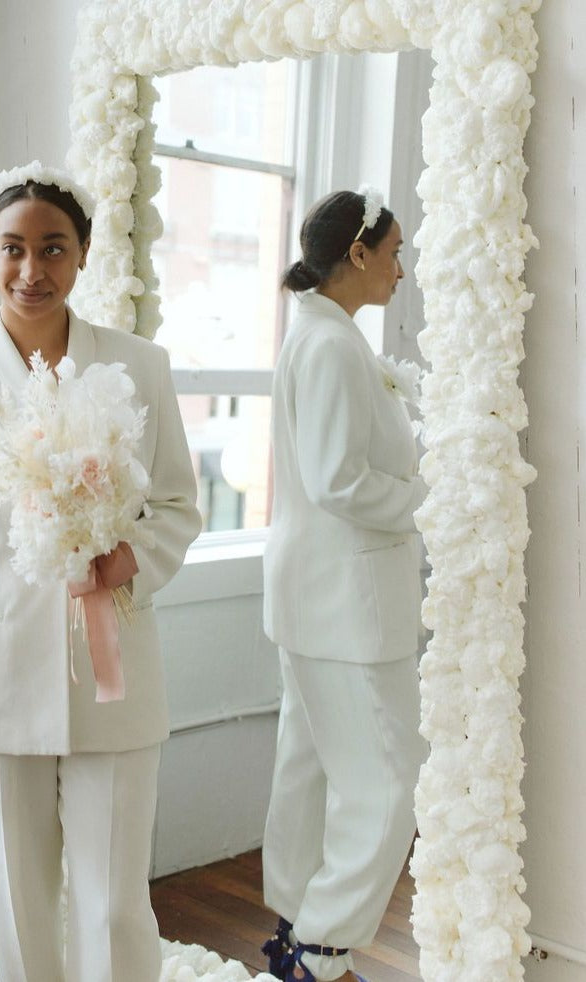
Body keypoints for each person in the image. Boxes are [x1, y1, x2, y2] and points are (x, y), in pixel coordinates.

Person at [0, 160, 202, 982]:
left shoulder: (142, 366)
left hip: (116, 678)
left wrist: (124, 558)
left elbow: (179, 504)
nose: (32, 271)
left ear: (84, 253)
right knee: (17, 909)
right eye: (13, 249)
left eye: (53, 248)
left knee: (112, 906)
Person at [259, 189, 429, 982]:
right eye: (394, 252)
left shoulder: (322, 336)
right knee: (388, 784)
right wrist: (432, 504)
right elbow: (337, 480)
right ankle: (320, 953)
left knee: (314, 768)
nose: (402, 268)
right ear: (357, 255)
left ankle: (297, 931)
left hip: (318, 599)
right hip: (345, 605)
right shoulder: (328, 346)